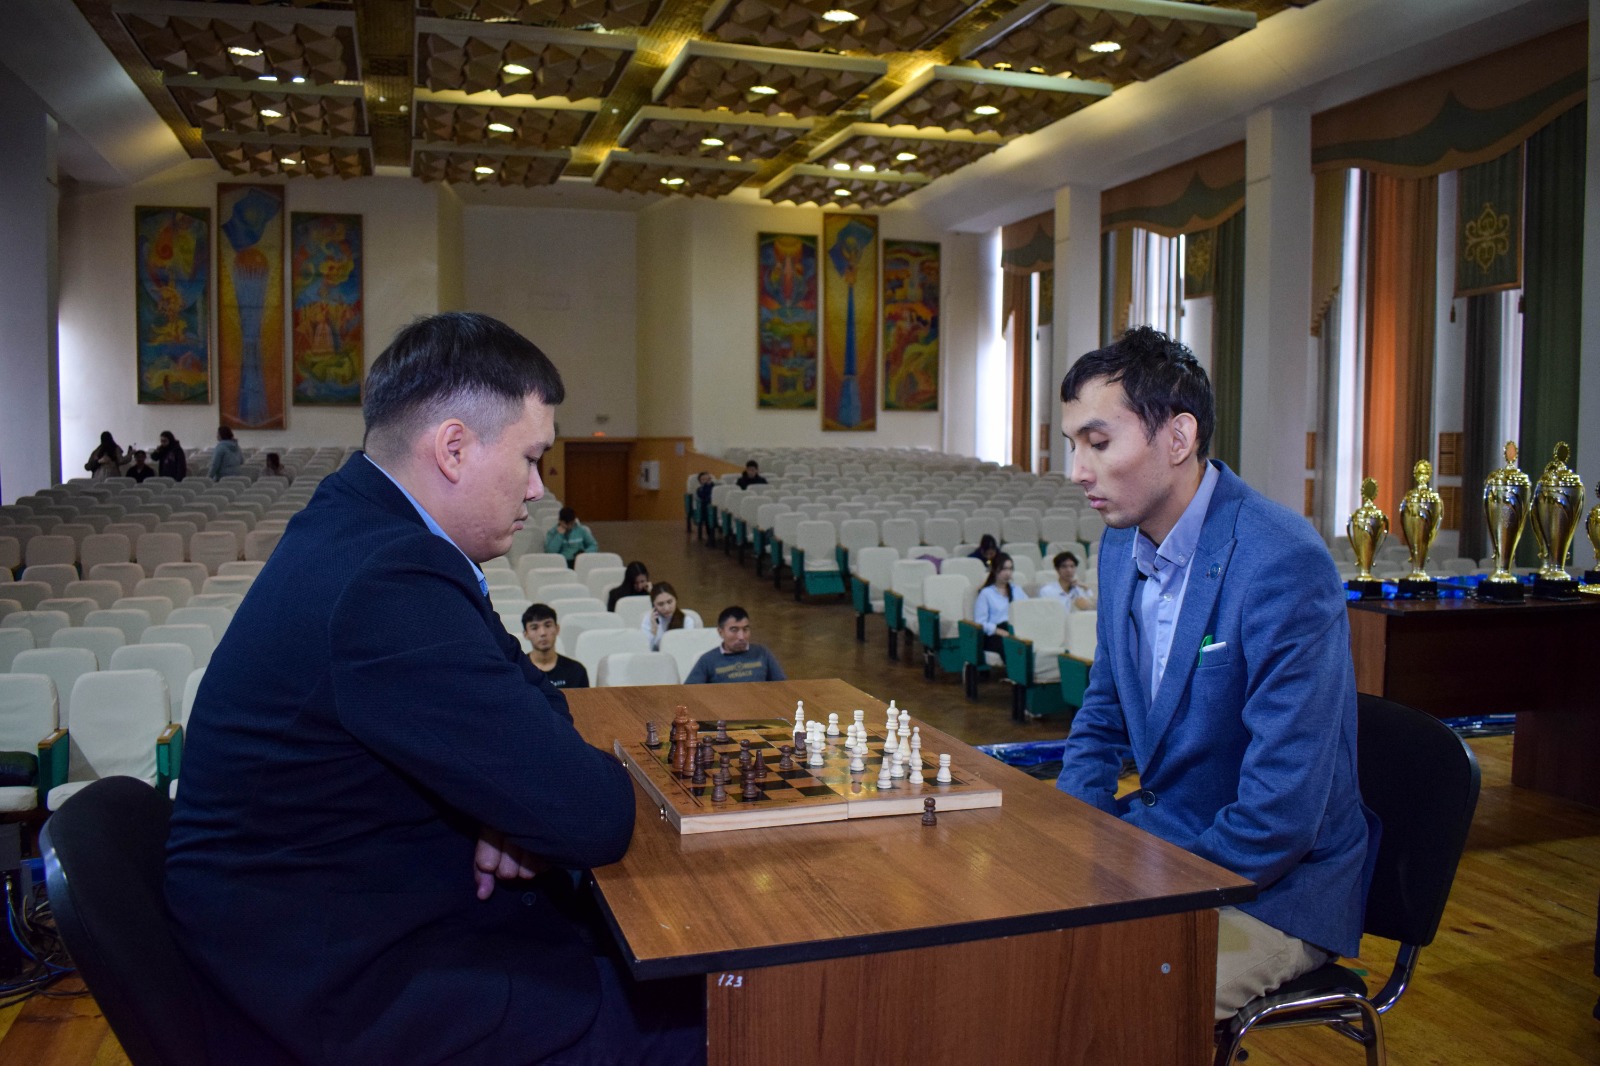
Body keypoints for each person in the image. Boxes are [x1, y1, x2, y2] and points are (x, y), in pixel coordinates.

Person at [166, 312, 704, 1065]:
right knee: (719, 1017)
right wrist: (528, 808)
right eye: (531, 458)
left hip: (350, 930)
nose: (539, 489)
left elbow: (536, 694)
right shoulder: (388, 579)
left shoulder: (363, 528)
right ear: (453, 449)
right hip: (352, 991)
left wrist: (514, 810)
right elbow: (593, 814)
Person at [1052, 325, 1376, 1022]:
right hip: (1167, 844)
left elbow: (1280, 815)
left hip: (1276, 889)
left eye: (1098, 443)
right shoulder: (1120, 544)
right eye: (1072, 444)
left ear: (1178, 437)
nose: (1077, 470)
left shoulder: (1282, 562)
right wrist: (1069, 836)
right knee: (1017, 956)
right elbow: (1103, 714)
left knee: (1108, 1005)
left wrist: (1147, 884)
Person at [685, 606, 786, 684]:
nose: (741, 636)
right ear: (721, 632)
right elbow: (689, 693)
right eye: (734, 630)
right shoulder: (707, 660)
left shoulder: (762, 653)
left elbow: (782, 686)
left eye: (745, 629)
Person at [521, 603, 589, 690]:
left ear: (557, 629)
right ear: (526, 634)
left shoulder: (576, 670)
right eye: (534, 628)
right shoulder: (518, 670)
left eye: (548, 625)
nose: (543, 633)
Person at [973, 552, 1027, 654]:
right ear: (994, 570)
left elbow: (1028, 609)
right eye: (1004, 569)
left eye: (1010, 569)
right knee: (1012, 648)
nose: (1008, 573)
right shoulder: (986, 593)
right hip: (995, 634)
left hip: (1016, 630)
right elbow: (980, 623)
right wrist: (997, 630)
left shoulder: (1017, 590)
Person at [640, 581, 697, 651]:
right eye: (660, 604)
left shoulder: (686, 621)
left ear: (676, 599)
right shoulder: (649, 620)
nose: (666, 608)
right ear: (654, 605)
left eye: (670, 602)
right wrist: (653, 631)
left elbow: (688, 647)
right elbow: (644, 650)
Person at [694, 472, 716, 543]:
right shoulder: (699, 489)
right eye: (703, 479)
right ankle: (710, 536)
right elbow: (704, 496)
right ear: (700, 481)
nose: (706, 481)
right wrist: (707, 486)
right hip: (706, 509)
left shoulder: (715, 488)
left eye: (707, 479)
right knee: (707, 515)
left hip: (716, 508)